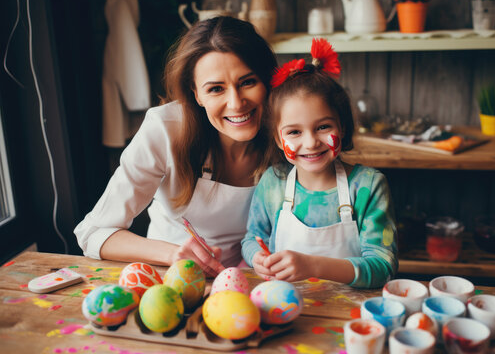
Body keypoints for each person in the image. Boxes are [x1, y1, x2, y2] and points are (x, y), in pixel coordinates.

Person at [74, 16, 277, 277]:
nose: (236, 103)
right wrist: (172, 253)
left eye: (248, 82)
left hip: (251, 280)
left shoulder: (290, 132)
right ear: (196, 94)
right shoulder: (165, 129)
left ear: (268, 80)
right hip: (170, 278)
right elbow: (92, 233)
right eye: (216, 89)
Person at [241, 38, 398, 288]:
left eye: (323, 127)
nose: (311, 142)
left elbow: (383, 266)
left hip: (350, 315)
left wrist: (313, 265)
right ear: (279, 140)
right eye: (294, 132)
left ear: (343, 127)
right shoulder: (272, 183)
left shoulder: (368, 186)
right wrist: (257, 257)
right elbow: (252, 238)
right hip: (288, 309)